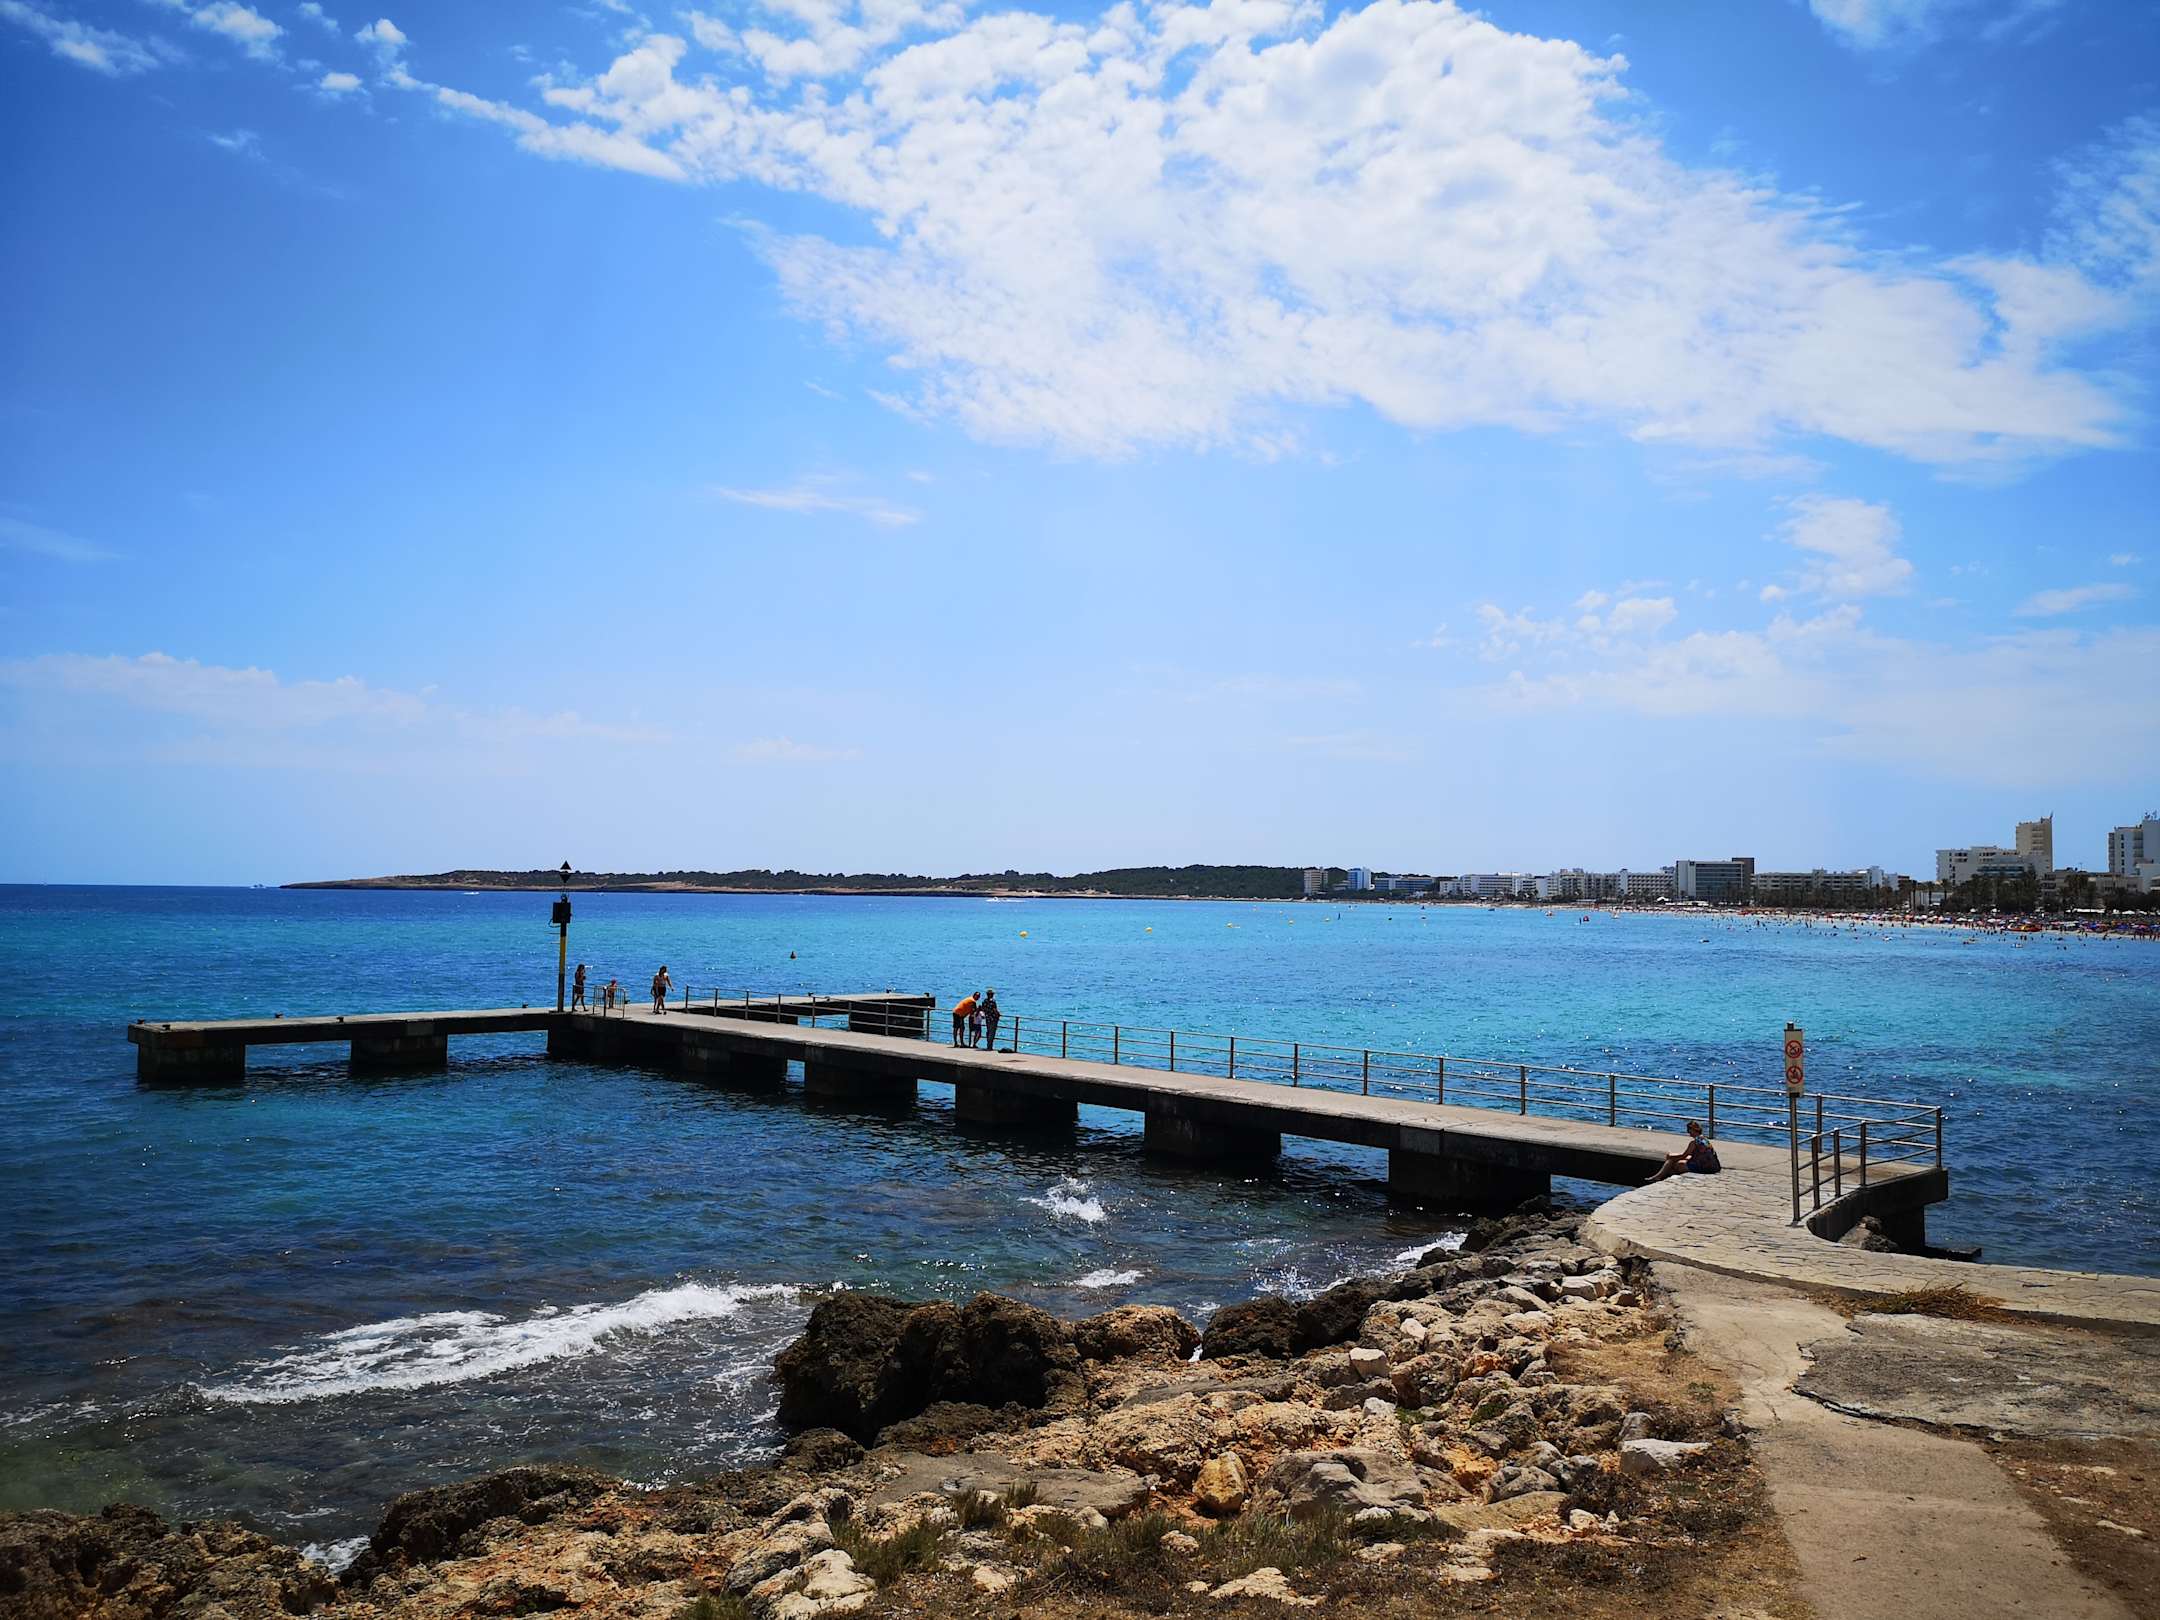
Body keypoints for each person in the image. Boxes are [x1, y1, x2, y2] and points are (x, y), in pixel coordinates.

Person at [1646, 1120, 1720, 1183]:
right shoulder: (1704, 1139)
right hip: (1713, 1166)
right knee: (1673, 1160)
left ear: (1693, 1130)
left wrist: (1671, 1157)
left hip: (1705, 1167)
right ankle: (1661, 1177)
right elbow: (1694, 1155)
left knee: (1676, 1163)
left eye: (1689, 1130)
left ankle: (1658, 1177)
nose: (1688, 1133)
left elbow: (1684, 1155)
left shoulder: (1694, 1143)